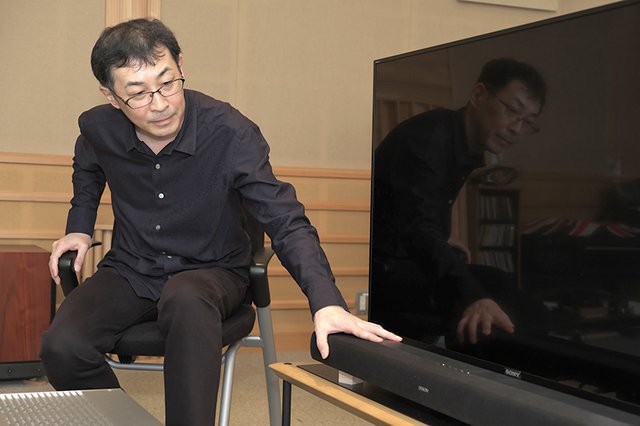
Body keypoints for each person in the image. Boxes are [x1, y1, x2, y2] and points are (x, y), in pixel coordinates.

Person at [40, 18, 401, 425]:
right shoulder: (98, 128)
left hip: (213, 271)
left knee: (185, 297)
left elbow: (285, 218)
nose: (160, 104)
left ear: (180, 64)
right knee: (62, 347)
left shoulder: (230, 132)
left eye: (168, 83)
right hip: (132, 268)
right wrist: (79, 225)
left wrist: (326, 301)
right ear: (111, 96)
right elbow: (87, 166)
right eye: (138, 94)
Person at [371, 57, 548, 346]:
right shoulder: (428, 138)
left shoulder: (454, 137)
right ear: (478, 95)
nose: (517, 129)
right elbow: (418, 231)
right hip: (383, 273)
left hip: (403, 258)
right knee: (496, 304)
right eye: (512, 110)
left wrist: (442, 239)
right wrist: (473, 297)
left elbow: (413, 215)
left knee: (502, 289)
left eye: (527, 122)